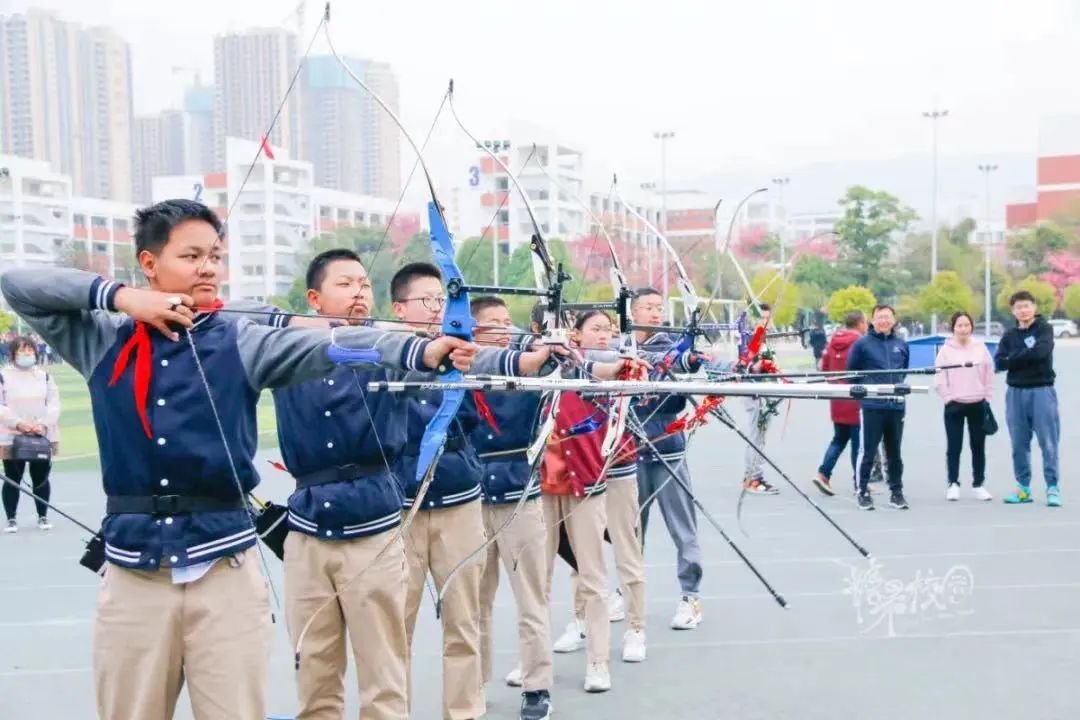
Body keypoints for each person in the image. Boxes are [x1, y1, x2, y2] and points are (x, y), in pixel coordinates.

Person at [0, 199, 480, 720]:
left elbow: (334, 346)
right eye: (191, 255)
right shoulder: (102, 338)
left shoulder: (241, 340)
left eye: (216, 255)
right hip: (134, 570)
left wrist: (421, 351)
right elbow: (16, 283)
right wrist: (120, 298)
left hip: (224, 569)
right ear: (149, 263)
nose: (207, 267)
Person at [470, 295, 555, 720]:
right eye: (492, 324)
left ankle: (536, 685)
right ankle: (475, 684)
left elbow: (563, 366)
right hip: (470, 499)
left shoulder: (530, 365)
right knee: (473, 602)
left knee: (531, 597)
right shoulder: (460, 365)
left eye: (508, 322)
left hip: (519, 493)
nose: (505, 330)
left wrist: (554, 344)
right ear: (470, 330)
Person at [630, 288, 704, 630]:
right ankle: (626, 592)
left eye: (659, 307)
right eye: (648, 307)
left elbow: (684, 361)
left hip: (669, 448)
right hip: (628, 452)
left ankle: (690, 595)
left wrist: (691, 359)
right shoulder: (619, 347)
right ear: (631, 311)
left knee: (682, 527)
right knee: (629, 529)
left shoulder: (671, 346)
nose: (656, 313)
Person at [995, 290, 1060, 506]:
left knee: (1048, 441)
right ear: (1013, 311)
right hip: (1015, 393)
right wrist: (1023, 356)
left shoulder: (1044, 329)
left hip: (1042, 390)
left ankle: (1052, 487)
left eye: (1027, 306)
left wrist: (1014, 358)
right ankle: (1023, 488)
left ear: (1034, 307)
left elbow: (1041, 353)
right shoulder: (1009, 336)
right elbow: (999, 363)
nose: (1023, 310)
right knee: (1018, 443)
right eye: (1018, 307)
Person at [847, 304, 910, 511]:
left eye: (887, 317)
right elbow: (851, 373)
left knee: (895, 452)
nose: (884, 321)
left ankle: (896, 492)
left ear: (894, 319)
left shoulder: (901, 344)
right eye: (879, 317)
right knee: (868, 450)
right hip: (872, 405)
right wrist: (859, 389)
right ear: (872, 321)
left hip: (896, 405)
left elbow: (903, 371)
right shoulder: (862, 344)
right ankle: (862, 491)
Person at [0, 335, 60, 532]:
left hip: (41, 435)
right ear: (13, 354)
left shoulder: (44, 376)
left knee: (40, 477)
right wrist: (19, 424)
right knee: (13, 477)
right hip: (12, 435)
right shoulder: (3, 376)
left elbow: (53, 404)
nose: (26, 354)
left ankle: (43, 516)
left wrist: (42, 424)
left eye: (30, 350)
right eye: (21, 351)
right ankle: (11, 518)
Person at [933, 311, 995, 502]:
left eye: (967, 325)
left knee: (978, 446)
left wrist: (987, 396)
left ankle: (978, 484)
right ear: (953, 328)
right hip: (954, 404)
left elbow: (988, 372)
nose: (963, 329)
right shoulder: (945, 350)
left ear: (971, 327)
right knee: (954, 446)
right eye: (959, 325)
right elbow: (940, 376)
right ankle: (953, 483)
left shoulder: (980, 347)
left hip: (977, 402)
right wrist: (948, 397)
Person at [812, 310, 866, 496]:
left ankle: (823, 473)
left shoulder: (833, 342)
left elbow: (824, 368)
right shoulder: (860, 343)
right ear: (860, 323)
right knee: (858, 443)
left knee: (839, 438)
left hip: (837, 398)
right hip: (856, 397)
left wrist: (835, 384)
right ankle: (859, 482)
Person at [741, 303, 782, 495]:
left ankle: (754, 476)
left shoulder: (766, 340)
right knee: (756, 436)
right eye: (763, 318)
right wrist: (756, 367)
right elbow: (742, 366)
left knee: (761, 437)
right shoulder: (750, 339)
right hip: (754, 393)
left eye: (768, 318)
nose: (766, 322)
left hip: (766, 392)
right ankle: (753, 479)